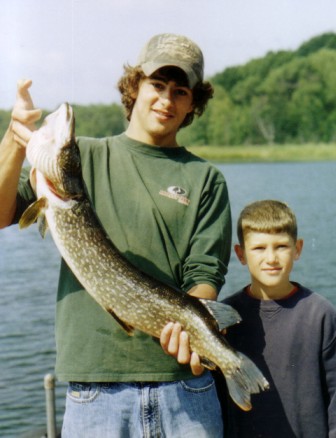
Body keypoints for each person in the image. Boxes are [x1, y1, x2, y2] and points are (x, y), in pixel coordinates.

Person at [0, 34, 232, 437]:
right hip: (96, 393)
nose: (166, 99)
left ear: (193, 103)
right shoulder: (82, 157)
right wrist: (15, 140)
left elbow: (204, 273)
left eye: (180, 91)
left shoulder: (205, 178)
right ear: (134, 87)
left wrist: (196, 338)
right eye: (156, 86)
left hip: (185, 388)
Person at [221, 199, 336, 438]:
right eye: (259, 248)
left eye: (281, 246)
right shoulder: (226, 316)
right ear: (240, 254)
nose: (271, 258)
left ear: (297, 248)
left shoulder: (320, 314)